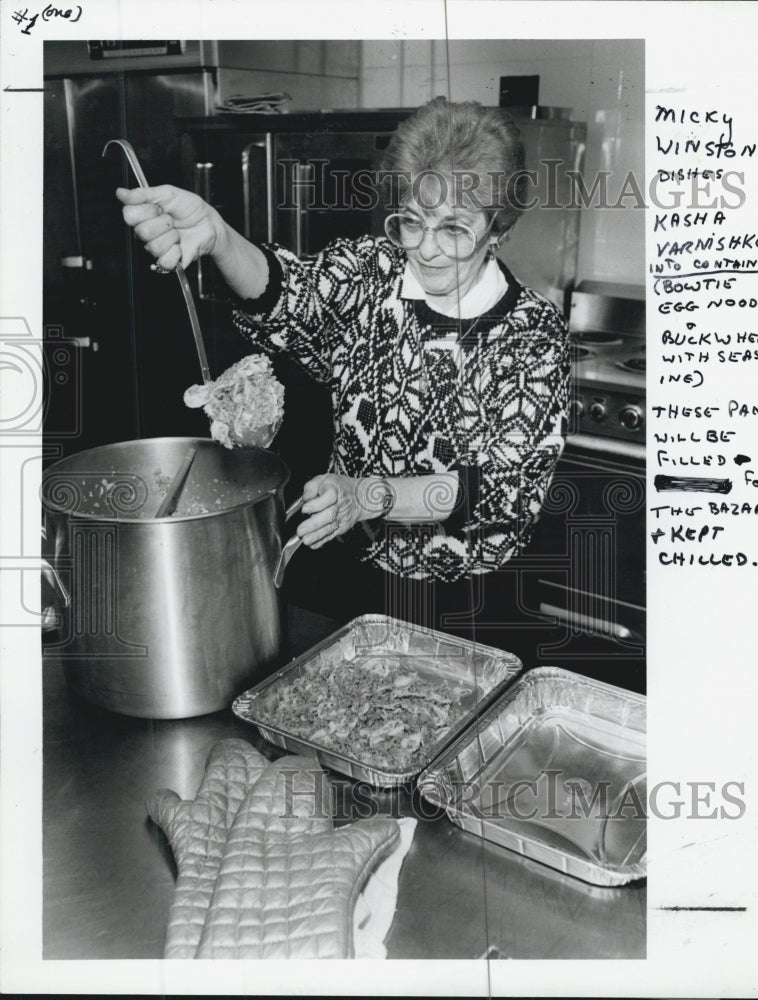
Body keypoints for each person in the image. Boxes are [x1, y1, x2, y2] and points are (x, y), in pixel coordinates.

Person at [117, 98, 569, 662]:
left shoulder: (531, 335)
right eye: (411, 221)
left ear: (498, 226)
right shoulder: (374, 276)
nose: (425, 250)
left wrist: (367, 495)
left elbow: (496, 491)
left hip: (472, 608)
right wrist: (217, 235)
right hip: (356, 580)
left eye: (453, 229)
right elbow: (291, 294)